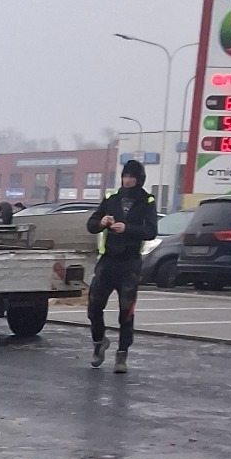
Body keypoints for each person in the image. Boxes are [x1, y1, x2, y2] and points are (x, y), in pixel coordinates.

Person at [85, 159, 159, 372]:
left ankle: (122, 354)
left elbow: (151, 231)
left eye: (131, 177)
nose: (127, 180)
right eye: (125, 176)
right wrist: (101, 223)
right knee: (94, 306)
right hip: (108, 261)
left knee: (126, 312)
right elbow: (91, 224)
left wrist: (127, 229)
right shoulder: (112, 198)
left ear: (139, 179)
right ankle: (99, 342)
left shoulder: (146, 201)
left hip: (130, 263)